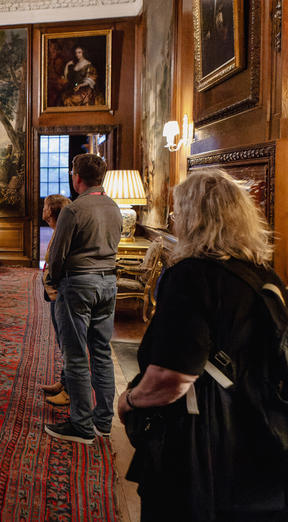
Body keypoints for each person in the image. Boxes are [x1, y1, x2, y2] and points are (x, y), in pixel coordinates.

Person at [117, 169, 288, 520]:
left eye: (178, 213)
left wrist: (129, 401)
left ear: (197, 218)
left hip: (203, 436)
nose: (174, 221)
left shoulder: (191, 276)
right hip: (257, 429)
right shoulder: (264, 275)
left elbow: (172, 376)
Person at [44, 154, 121, 444]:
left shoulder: (74, 210)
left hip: (78, 286)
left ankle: (81, 426)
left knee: (76, 356)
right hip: (108, 285)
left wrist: (53, 282)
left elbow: (58, 256)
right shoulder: (114, 207)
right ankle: (103, 421)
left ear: (77, 178)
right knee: (101, 352)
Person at [41, 194, 72, 407]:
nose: (42, 209)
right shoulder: (56, 231)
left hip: (60, 294)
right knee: (63, 341)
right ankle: (64, 382)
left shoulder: (62, 233)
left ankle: (69, 391)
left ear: (51, 211)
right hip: (55, 294)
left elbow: (58, 264)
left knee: (67, 342)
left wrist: (53, 291)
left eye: (45, 206)